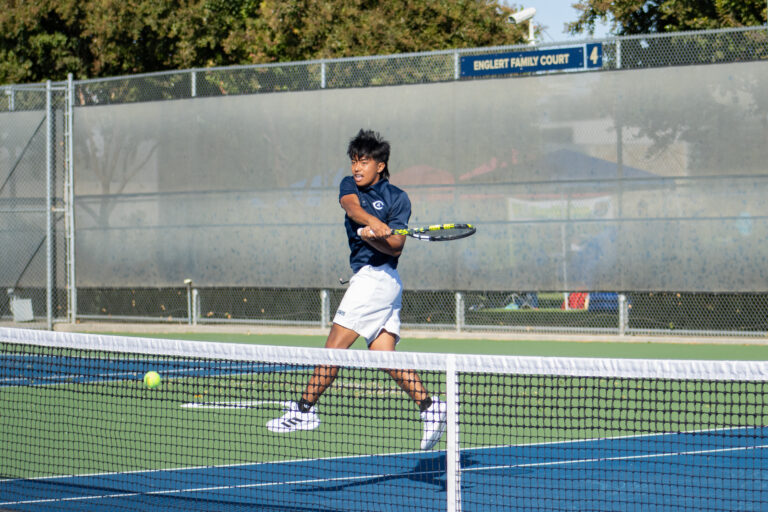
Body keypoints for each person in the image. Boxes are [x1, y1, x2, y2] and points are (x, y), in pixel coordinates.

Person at [267, 129, 447, 450]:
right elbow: (350, 206)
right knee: (384, 356)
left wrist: (376, 235)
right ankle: (431, 407)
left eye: (364, 162)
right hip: (371, 280)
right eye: (354, 161)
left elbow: (396, 248)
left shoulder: (398, 198)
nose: (357, 168)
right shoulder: (350, 187)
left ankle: (304, 409)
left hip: (379, 281)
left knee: (334, 348)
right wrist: (370, 223)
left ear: (380, 164)